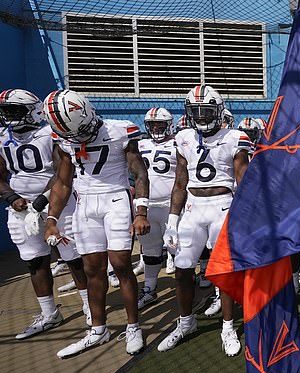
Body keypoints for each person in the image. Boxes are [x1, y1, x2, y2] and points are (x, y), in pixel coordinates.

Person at [43, 89, 150, 358]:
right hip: (85, 204)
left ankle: (133, 326)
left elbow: (139, 173)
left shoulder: (119, 130)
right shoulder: (64, 137)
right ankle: (98, 330)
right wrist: (52, 219)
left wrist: (141, 212)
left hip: (115, 200)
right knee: (92, 270)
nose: (77, 138)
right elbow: (64, 181)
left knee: (122, 265)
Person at [158, 84, 250, 357]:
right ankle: (186, 322)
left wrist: (243, 217)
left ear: (218, 111)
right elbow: (180, 181)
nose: (200, 116)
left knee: (223, 271)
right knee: (183, 268)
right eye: (194, 111)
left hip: (223, 205)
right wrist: (172, 220)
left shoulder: (235, 137)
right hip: (193, 207)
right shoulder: (184, 137)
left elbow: (242, 180)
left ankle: (228, 325)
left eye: (205, 110)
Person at [0, 89, 91, 338]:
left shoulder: (50, 134)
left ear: (31, 110)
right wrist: (13, 198)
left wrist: (41, 201)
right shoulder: (1, 137)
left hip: (57, 203)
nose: (7, 115)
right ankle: (50, 313)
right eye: (5, 110)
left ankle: (89, 307)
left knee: (73, 256)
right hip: (21, 207)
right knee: (34, 260)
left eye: (13, 110)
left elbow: (63, 173)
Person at [136, 107, 178, 309]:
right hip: (148, 205)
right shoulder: (140, 143)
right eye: (152, 124)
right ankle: (149, 288)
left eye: (160, 124)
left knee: (178, 247)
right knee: (150, 249)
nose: (156, 127)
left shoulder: (178, 143)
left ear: (169, 124)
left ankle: (183, 284)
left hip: (171, 205)